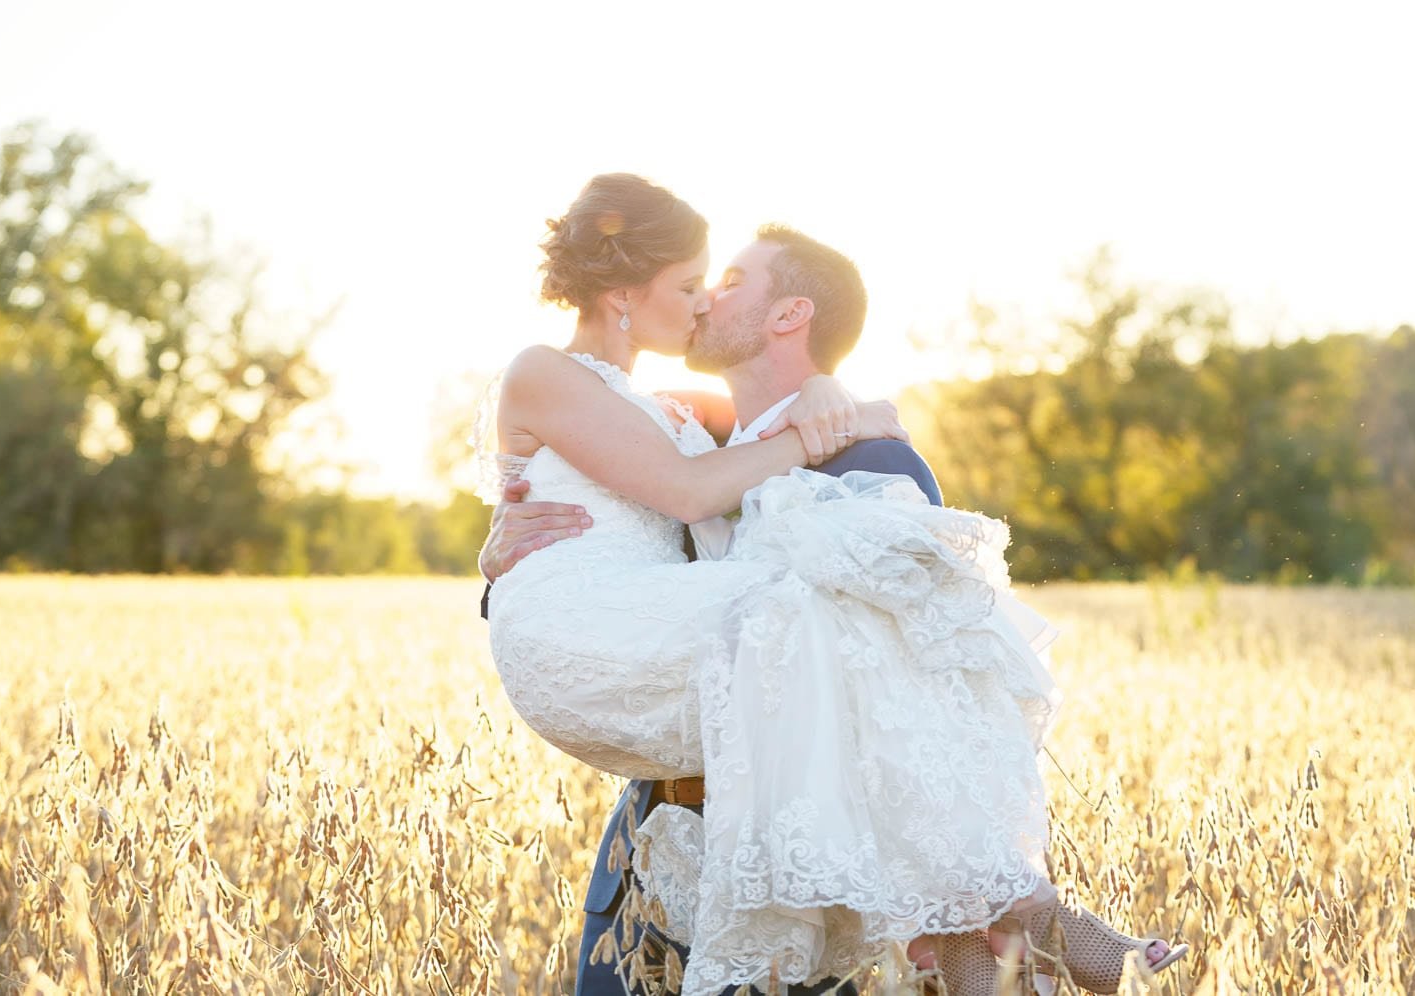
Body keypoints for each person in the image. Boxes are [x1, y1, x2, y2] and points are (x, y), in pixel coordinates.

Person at [473, 174, 1186, 995]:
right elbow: (609, 535)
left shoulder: (872, 461)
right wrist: (498, 568)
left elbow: (929, 670)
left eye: (725, 283)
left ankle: (992, 924)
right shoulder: (683, 427)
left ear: (790, 315)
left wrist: (827, 405)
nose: (704, 302)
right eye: (694, 283)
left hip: (811, 859)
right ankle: (1002, 925)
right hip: (659, 845)